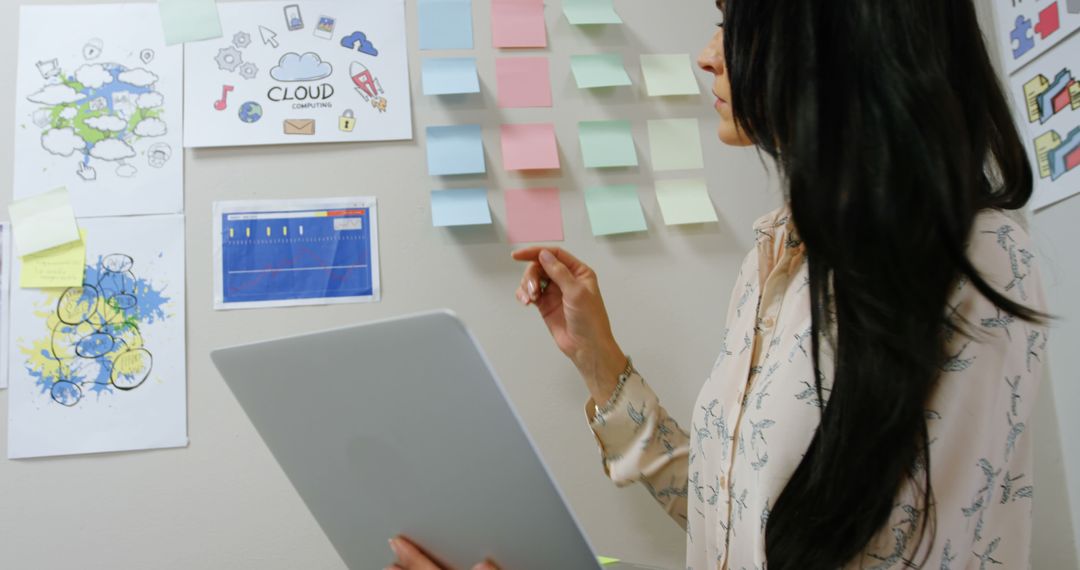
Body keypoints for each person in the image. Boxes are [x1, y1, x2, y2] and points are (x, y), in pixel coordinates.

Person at [386, 0, 1049, 568]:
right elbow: (727, 518)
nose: (708, 56)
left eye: (732, 22)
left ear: (835, 38)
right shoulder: (777, 255)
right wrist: (597, 358)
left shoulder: (976, 263)